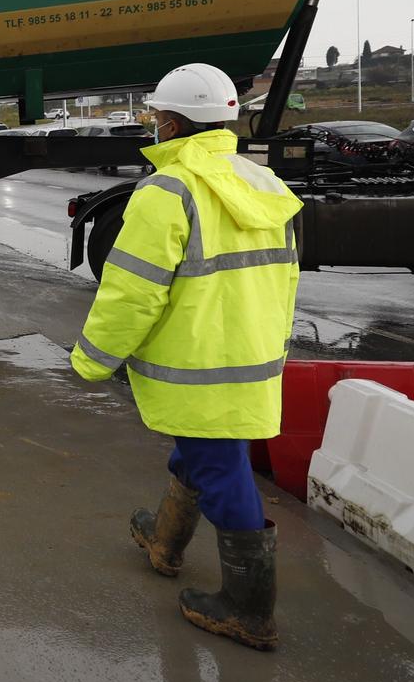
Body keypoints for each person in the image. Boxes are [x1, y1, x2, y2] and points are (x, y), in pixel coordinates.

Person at [69, 63, 302, 650]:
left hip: (196, 362)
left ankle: (248, 611)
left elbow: (131, 292)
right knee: (201, 451)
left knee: (221, 469)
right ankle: (165, 541)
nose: (153, 128)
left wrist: (92, 360)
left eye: (155, 119)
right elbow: (284, 280)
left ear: (171, 124)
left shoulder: (166, 192)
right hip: (250, 356)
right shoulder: (265, 185)